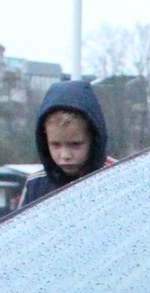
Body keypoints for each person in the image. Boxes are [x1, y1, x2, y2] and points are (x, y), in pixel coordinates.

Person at [20, 77, 114, 207]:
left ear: (93, 139)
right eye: (55, 145)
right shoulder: (36, 184)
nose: (65, 155)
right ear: (44, 140)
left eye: (75, 144)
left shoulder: (116, 177)